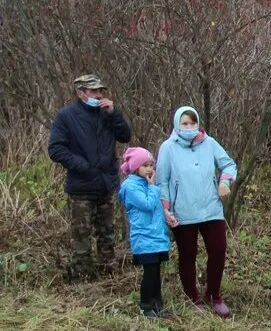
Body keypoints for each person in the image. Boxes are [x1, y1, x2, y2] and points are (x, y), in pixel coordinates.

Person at [47, 73, 133, 279]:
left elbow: (125, 136)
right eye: (94, 91)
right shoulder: (66, 117)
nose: (99, 94)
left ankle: (109, 274)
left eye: (100, 90)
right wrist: (82, 165)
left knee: (107, 232)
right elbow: (56, 149)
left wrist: (114, 114)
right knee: (81, 235)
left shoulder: (107, 114)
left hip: (106, 183)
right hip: (81, 185)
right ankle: (82, 276)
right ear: (80, 93)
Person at [156, 106, 237, 317]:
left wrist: (225, 182)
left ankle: (214, 295)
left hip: (211, 208)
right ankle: (193, 298)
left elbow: (228, 164)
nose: (189, 128)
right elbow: (162, 180)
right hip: (183, 211)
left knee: (218, 250)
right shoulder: (168, 147)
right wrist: (166, 208)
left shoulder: (209, 143)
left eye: (193, 123)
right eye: (185, 124)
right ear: (176, 125)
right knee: (188, 254)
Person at [117, 147, 173, 318]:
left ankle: (157, 306)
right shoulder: (131, 187)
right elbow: (148, 205)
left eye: (151, 165)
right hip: (144, 238)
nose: (150, 169)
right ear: (135, 167)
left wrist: (167, 217)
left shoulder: (146, 185)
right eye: (145, 165)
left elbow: (156, 209)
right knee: (149, 274)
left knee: (156, 273)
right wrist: (152, 187)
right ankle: (145, 306)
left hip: (156, 237)